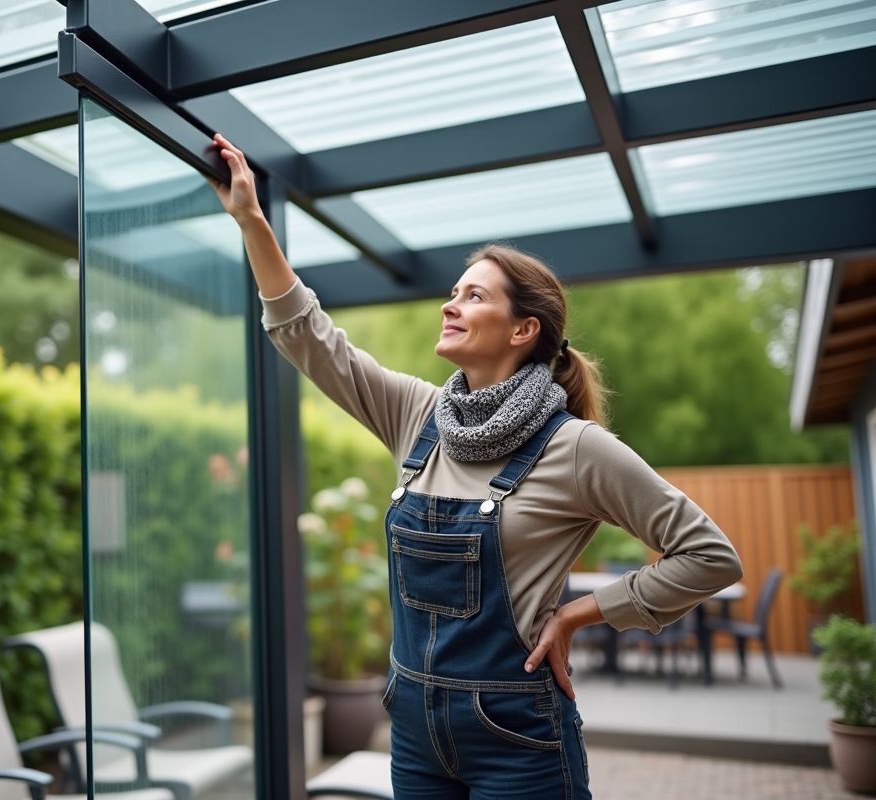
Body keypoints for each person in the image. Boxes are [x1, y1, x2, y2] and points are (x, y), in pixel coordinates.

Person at [210, 134, 743, 800]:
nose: (450, 304)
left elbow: (710, 556)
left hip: (519, 737)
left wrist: (581, 614)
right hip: (412, 730)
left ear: (523, 330)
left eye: (474, 296)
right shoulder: (416, 414)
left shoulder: (576, 447)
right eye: (453, 292)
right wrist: (250, 219)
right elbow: (308, 337)